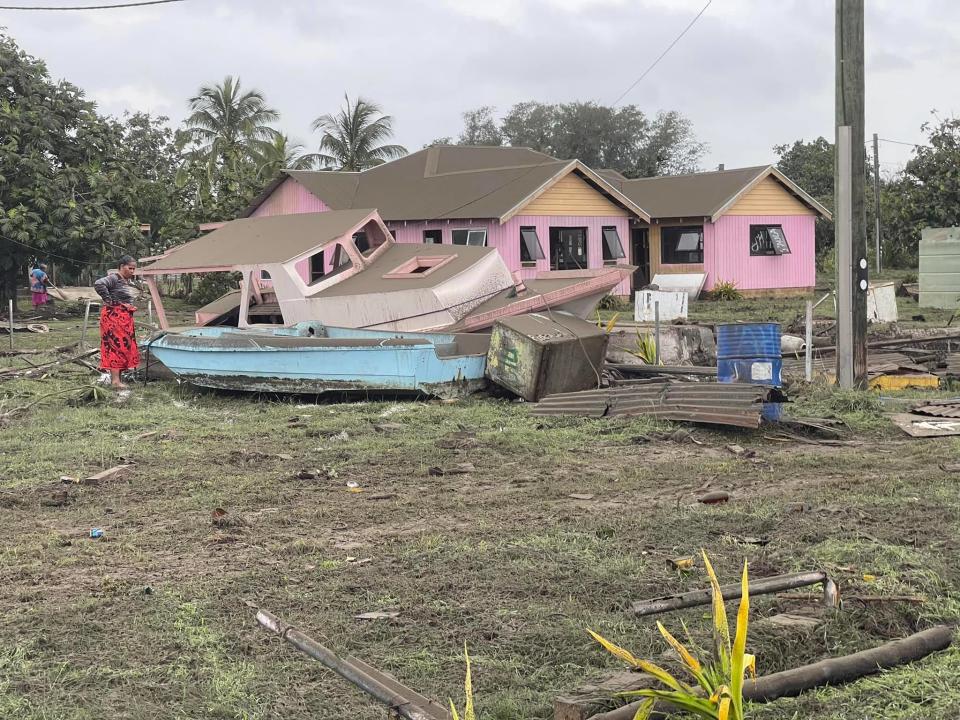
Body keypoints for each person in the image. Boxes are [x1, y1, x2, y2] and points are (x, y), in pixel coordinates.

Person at [94, 255, 141, 390]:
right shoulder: (114, 278)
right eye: (129, 268)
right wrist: (109, 300)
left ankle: (118, 378)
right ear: (121, 267)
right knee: (116, 346)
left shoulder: (124, 281)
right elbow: (98, 284)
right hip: (114, 318)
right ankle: (115, 381)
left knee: (124, 346)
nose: (132, 271)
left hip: (123, 318)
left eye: (134, 269)